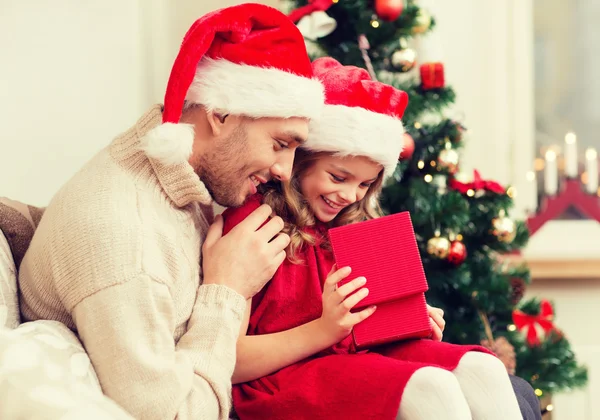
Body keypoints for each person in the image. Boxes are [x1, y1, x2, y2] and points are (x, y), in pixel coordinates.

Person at [17, 4, 325, 420]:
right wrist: (227, 292)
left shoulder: (180, 176)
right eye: (280, 143)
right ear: (220, 114)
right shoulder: (127, 242)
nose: (285, 172)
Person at [222, 58, 524, 420]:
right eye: (338, 177)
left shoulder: (356, 225)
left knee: (484, 369)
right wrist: (325, 329)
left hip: (351, 357)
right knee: (431, 388)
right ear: (299, 161)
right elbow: (231, 361)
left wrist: (409, 320)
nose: (350, 196)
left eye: (365, 184)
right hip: (280, 377)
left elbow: (367, 332)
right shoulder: (254, 222)